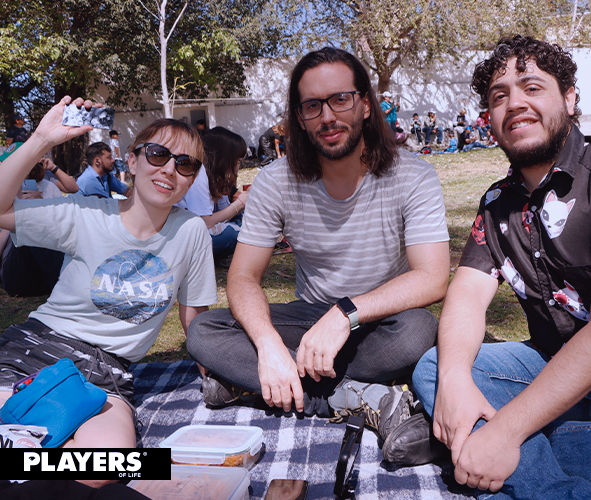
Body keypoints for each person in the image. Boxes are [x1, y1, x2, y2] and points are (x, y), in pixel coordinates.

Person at [410, 35, 591, 499]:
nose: (514, 103)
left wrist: (506, 431)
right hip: (547, 365)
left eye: (532, 87)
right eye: (499, 96)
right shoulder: (497, 202)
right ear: (489, 118)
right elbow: (466, 296)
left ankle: (478, 446)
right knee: (436, 368)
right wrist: (454, 381)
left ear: (569, 99)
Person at [186, 48, 449, 449]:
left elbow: (432, 278)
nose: (327, 117)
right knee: (204, 332)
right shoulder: (276, 181)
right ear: (299, 118)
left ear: (365, 105)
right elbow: (242, 276)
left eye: (340, 99)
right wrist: (268, 346)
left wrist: (345, 315)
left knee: (419, 331)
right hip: (308, 319)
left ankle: (257, 384)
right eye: (312, 106)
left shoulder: (413, 175)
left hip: (379, 320)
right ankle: (356, 397)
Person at [0, 97, 217, 485]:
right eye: (158, 154)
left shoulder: (191, 232)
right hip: (36, 349)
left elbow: (194, 318)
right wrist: (40, 140)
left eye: (185, 164)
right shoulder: (86, 213)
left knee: (109, 468)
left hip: (106, 371)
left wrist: (215, 374)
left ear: (191, 178)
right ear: (131, 161)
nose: (169, 169)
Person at [176, 127, 249, 265]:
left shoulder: (215, 175)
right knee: (236, 233)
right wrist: (239, 203)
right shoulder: (199, 175)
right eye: (238, 161)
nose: (238, 167)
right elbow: (205, 222)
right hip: (187, 239)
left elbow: (224, 212)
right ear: (225, 158)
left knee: (245, 218)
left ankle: (230, 250)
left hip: (204, 230)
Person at [0, 157, 68, 297]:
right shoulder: (3, 196)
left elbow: (63, 227)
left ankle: (63, 284)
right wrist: (14, 221)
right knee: (29, 225)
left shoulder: (48, 187)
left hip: (43, 279)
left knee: (37, 223)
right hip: (17, 277)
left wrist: (41, 207)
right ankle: (62, 287)